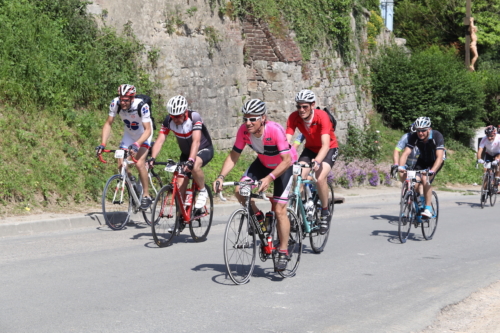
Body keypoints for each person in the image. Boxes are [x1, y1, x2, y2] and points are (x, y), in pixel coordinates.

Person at [213, 99, 296, 271]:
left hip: (283, 167)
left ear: (263, 118)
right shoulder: (244, 131)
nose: (247, 123)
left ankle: (283, 250)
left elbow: (286, 160)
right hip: (263, 163)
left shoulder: (274, 130)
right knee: (239, 191)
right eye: (245, 119)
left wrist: (270, 178)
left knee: (280, 210)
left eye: (252, 119)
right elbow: (233, 156)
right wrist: (221, 176)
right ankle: (258, 217)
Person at [286, 89, 338, 232]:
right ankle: (303, 205)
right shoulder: (293, 117)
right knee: (297, 175)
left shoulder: (322, 117)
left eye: (305, 107)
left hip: (328, 149)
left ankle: (325, 211)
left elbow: (326, 144)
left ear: (312, 105)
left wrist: (318, 161)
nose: (301, 110)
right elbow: (287, 141)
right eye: (298, 106)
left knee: (320, 178)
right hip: (310, 150)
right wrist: (284, 157)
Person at [149, 95, 214, 209]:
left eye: (178, 116)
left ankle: (203, 191)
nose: (175, 119)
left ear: (184, 113)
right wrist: (153, 158)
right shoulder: (168, 120)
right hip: (185, 154)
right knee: (179, 189)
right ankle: (180, 221)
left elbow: (196, 141)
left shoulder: (194, 117)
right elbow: (160, 141)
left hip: (203, 149)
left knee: (194, 167)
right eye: (172, 116)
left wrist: (191, 160)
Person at [96, 84, 153, 210]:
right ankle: (132, 185)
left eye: (126, 100)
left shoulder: (141, 106)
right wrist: (102, 144)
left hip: (143, 134)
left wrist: (137, 144)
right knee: (121, 164)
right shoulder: (115, 103)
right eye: (121, 99)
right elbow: (108, 124)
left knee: (139, 163)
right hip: (129, 134)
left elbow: (148, 130)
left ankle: (146, 195)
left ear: (132, 98)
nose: (123, 102)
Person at [398, 117, 445, 218]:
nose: (420, 133)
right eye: (418, 130)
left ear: (429, 129)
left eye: (423, 130)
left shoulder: (437, 135)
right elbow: (405, 153)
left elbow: (439, 157)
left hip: (435, 161)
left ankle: (428, 209)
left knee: (425, 178)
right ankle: (418, 203)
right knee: (412, 181)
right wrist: (401, 166)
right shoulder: (414, 136)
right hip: (422, 160)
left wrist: (432, 171)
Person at [476, 125, 500, 190]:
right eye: (488, 136)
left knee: (498, 166)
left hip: (498, 153)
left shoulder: (499, 138)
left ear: (495, 134)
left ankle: (496, 181)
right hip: (488, 154)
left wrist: (497, 160)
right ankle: (484, 190)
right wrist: (479, 159)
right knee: (486, 170)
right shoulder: (484, 139)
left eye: (491, 136)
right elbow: (480, 150)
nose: (489, 138)